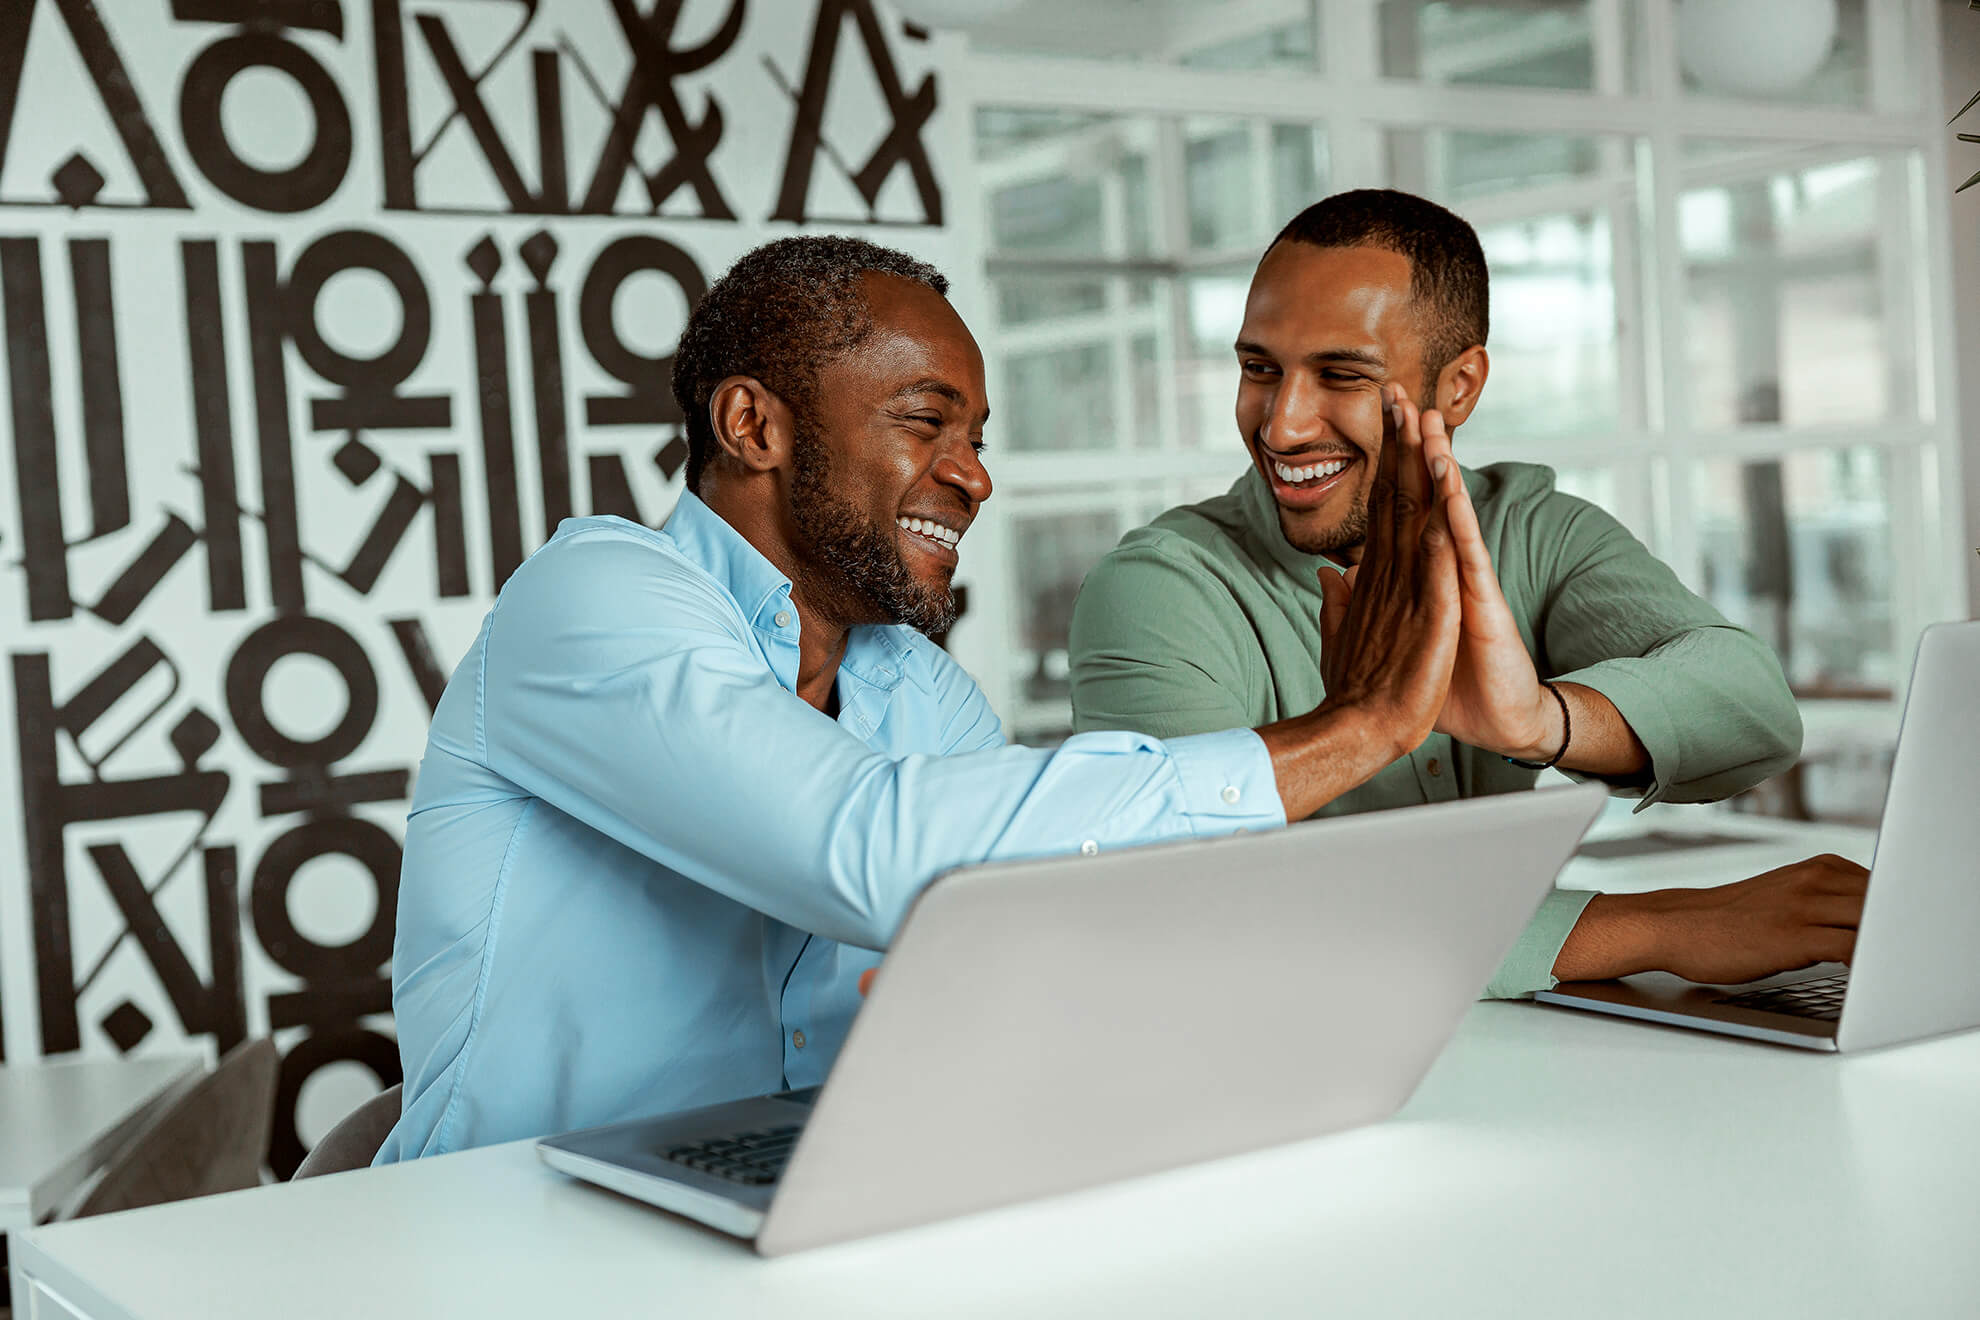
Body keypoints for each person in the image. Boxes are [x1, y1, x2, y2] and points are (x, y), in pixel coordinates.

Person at [376, 235, 1477, 1161]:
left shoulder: (920, 693)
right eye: (925, 422)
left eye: (978, 438)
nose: (975, 475)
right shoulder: (588, 599)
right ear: (752, 425)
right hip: (517, 1226)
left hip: (808, 1201)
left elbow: (1023, 948)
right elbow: (865, 852)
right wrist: (1361, 725)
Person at [1068, 189, 1867, 1000]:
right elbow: (1194, 904)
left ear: (1458, 386)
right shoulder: (1159, 587)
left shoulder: (1529, 529)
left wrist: (1540, 721)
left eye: (1341, 374)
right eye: (1259, 369)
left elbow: (1755, 711)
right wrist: (1661, 928)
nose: (1281, 426)